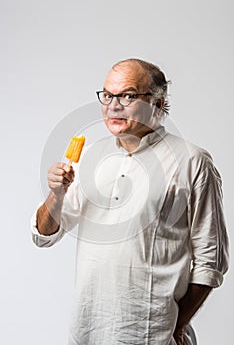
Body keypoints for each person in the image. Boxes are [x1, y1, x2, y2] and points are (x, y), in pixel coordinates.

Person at [31, 58, 229, 345]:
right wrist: (57, 195)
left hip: (152, 334)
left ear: (158, 104)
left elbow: (211, 261)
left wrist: (176, 325)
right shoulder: (89, 157)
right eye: (108, 95)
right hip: (88, 331)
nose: (113, 105)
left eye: (128, 95)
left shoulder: (192, 161)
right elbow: (44, 236)